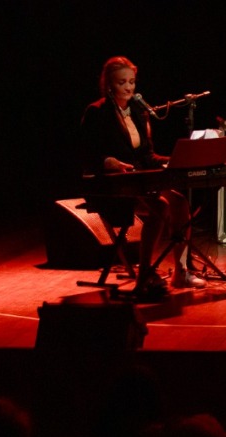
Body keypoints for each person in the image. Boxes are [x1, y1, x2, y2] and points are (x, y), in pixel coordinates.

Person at [79, 55, 203, 299]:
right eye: (122, 82)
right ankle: (146, 275)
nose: (128, 87)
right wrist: (108, 162)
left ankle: (181, 269)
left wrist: (171, 160)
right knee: (161, 205)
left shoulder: (138, 111)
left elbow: (147, 156)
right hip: (110, 185)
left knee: (179, 202)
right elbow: (85, 155)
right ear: (109, 86)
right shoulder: (96, 112)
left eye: (132, 82)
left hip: (140, 181)